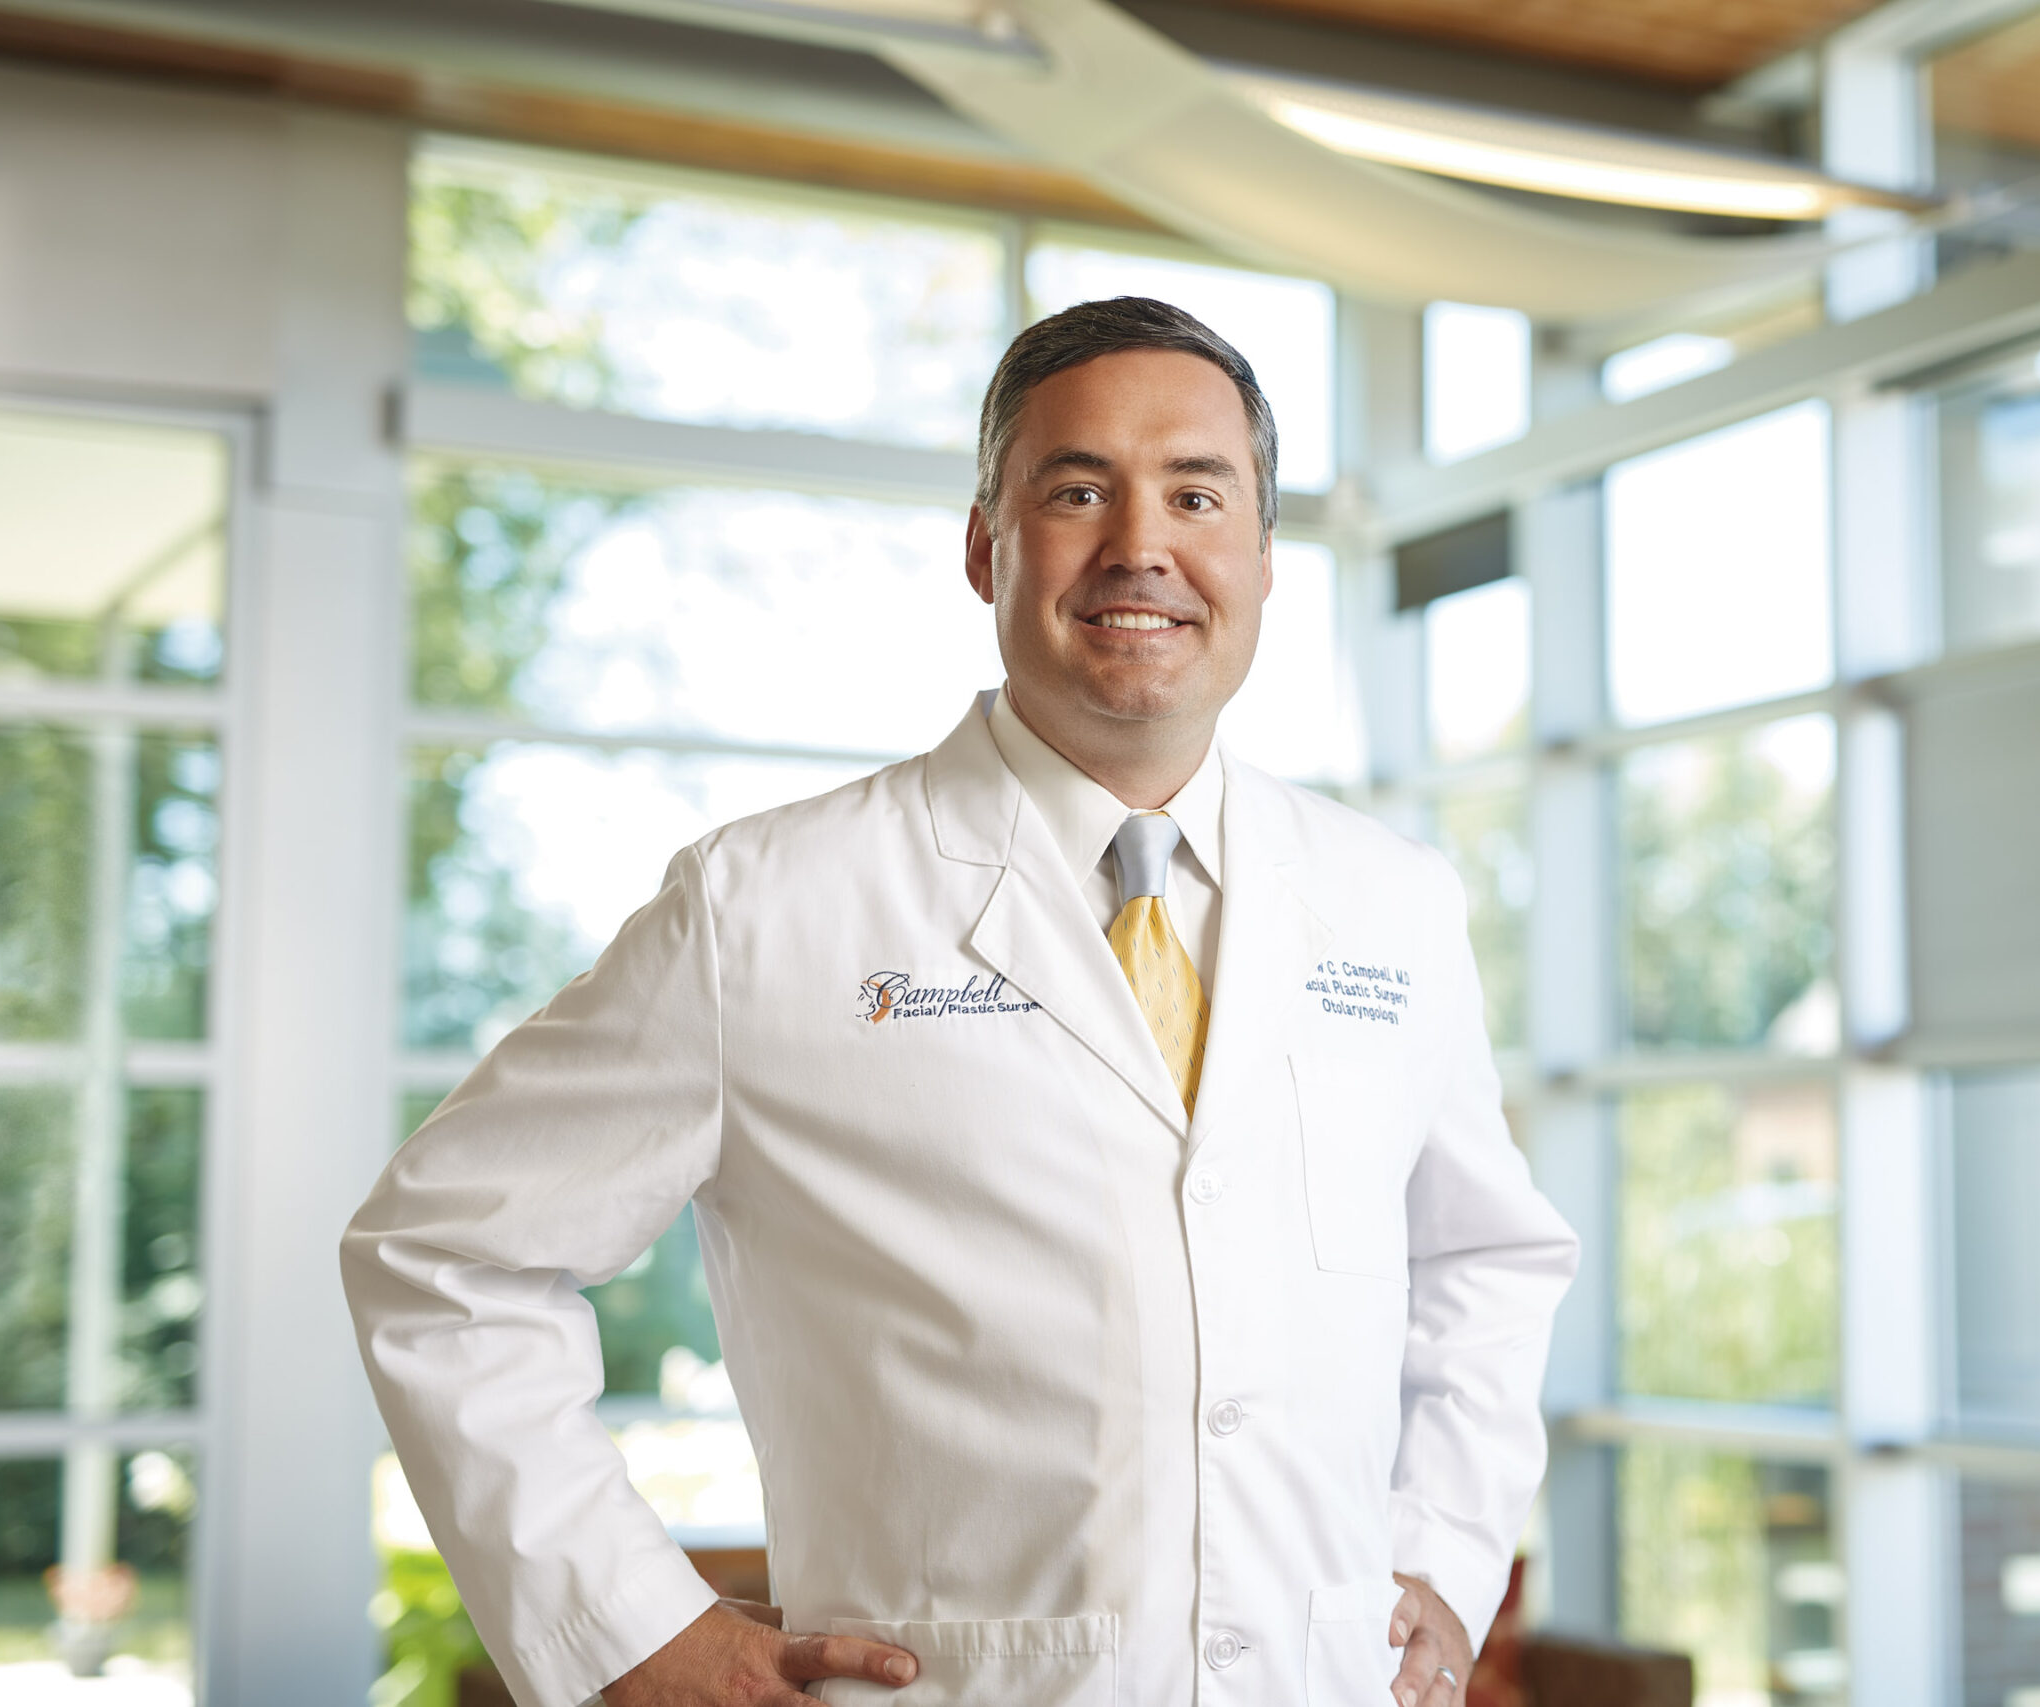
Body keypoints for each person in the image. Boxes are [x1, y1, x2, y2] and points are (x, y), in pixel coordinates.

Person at [342, 296, 1579, 1707]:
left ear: (1261, 557)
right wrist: (628, 1629)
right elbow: (444, 1255)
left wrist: (1444, 1551)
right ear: (989, 547)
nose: (1143, 547)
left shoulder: (1394, 903)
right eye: (1077, 491)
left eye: (1196, 493)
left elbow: (1487, 1262)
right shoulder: (768, 905)